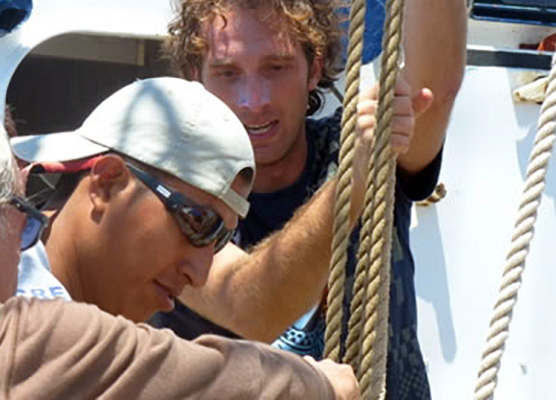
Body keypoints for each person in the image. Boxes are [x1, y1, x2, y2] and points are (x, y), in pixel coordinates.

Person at [161, 0, 467, 397]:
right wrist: (351, 180)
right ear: (194, 80)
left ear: (314, 67)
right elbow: (251, 306)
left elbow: (436, 85)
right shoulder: (169, 194)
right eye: (228, 75)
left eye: (275, 68)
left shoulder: (362, 147)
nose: (253, 101)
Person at [0, 124, 361, 399]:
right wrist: (316, 385)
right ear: (107, 183)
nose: (199, 274)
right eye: (197, 222)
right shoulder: (31, 321)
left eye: (219, 240)